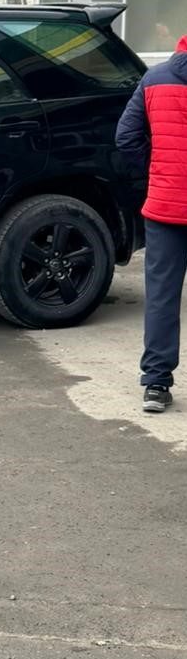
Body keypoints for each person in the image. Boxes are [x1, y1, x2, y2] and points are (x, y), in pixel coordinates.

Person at [116, 34, 187, 413]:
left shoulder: (155, 78)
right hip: (167, 204)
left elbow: (126, 137)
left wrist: (157, 172)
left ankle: (156, 384)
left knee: (162, 297)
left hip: (165, 207)